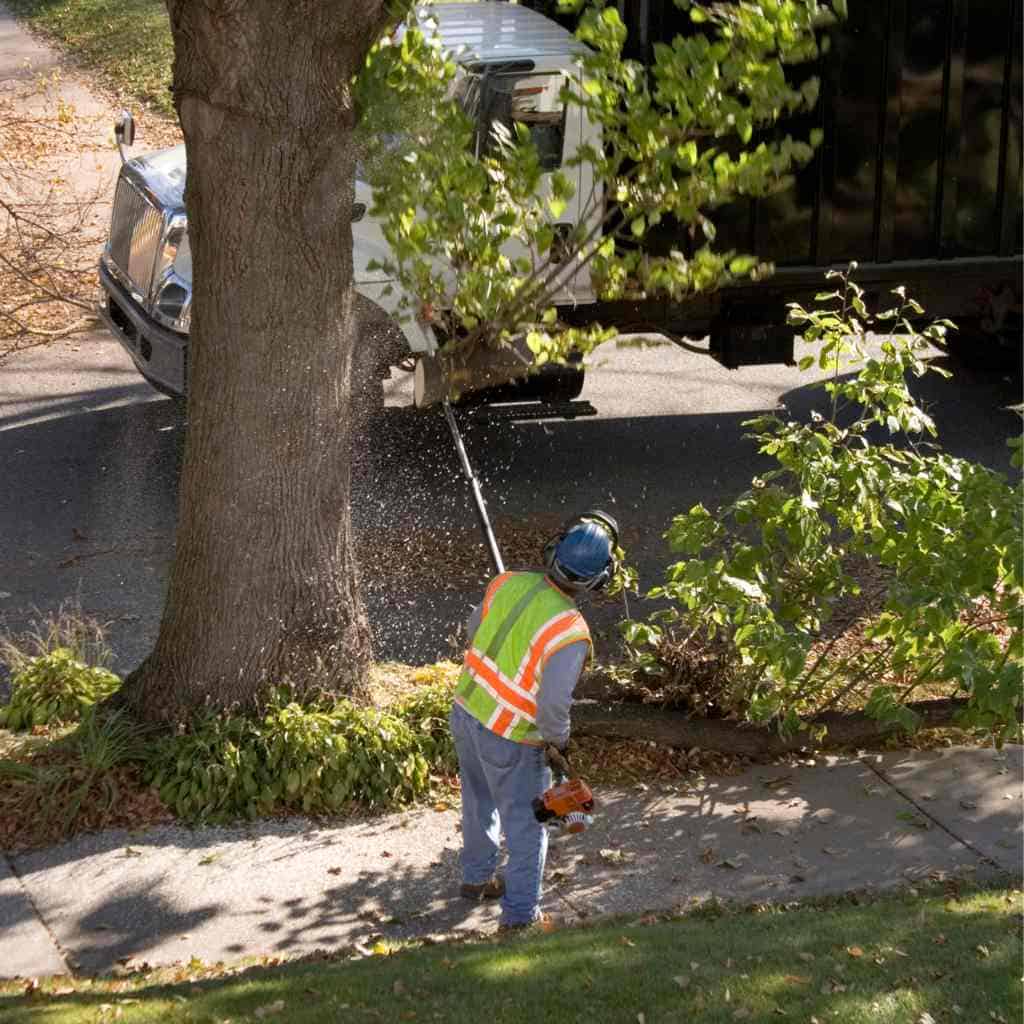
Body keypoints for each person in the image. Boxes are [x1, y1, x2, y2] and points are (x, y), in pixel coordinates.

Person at [448, 510, 619, 931]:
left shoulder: (506, 583)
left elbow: (475, 633)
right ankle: (521, 918)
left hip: (466, 712)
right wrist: (559, 743)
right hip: (510, 737)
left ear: (553, 551)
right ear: (598, 579)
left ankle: (477, 879)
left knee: (477, 799)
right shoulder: (569, 631)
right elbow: (552, 708)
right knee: (527, 829)